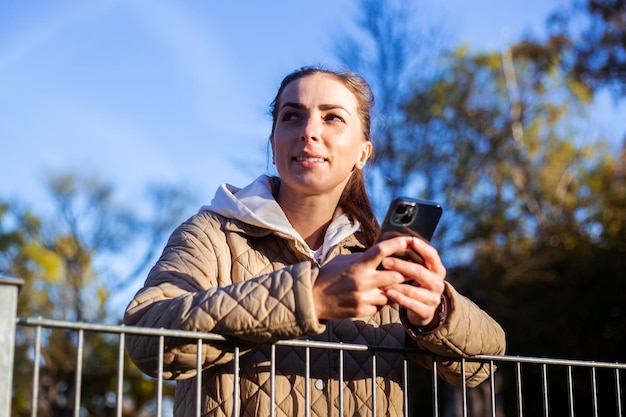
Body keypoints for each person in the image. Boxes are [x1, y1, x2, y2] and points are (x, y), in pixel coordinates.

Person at [124, 65, 506, 417]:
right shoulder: (211, 232)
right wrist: (312, 297)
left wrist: (436, 314)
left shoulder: (380, 253)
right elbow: (146, 339)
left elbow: (489, 358)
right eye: (292, 116)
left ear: (362, 152)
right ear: (274, 143)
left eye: (332, 117)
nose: (309, 130)